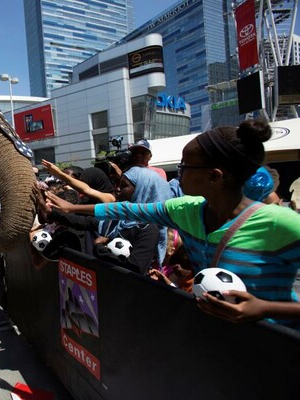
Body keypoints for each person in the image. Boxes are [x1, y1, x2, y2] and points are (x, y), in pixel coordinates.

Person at [46, 119, 300, 329]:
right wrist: (70, 207)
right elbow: (126, 208)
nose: (179, 173)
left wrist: (264, 308)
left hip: (278, 348)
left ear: (214, 177)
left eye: (185, 167)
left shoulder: (281, 224)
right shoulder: (185, 211)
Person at [44, 166, 168, 275]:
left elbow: (135, 269)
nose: (118, 189)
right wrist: (51, 212)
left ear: (142, 189)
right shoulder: (117, 220)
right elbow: (83, 222)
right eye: (118, 184)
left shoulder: (148, 229)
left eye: (124, 186)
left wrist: (99, 248)